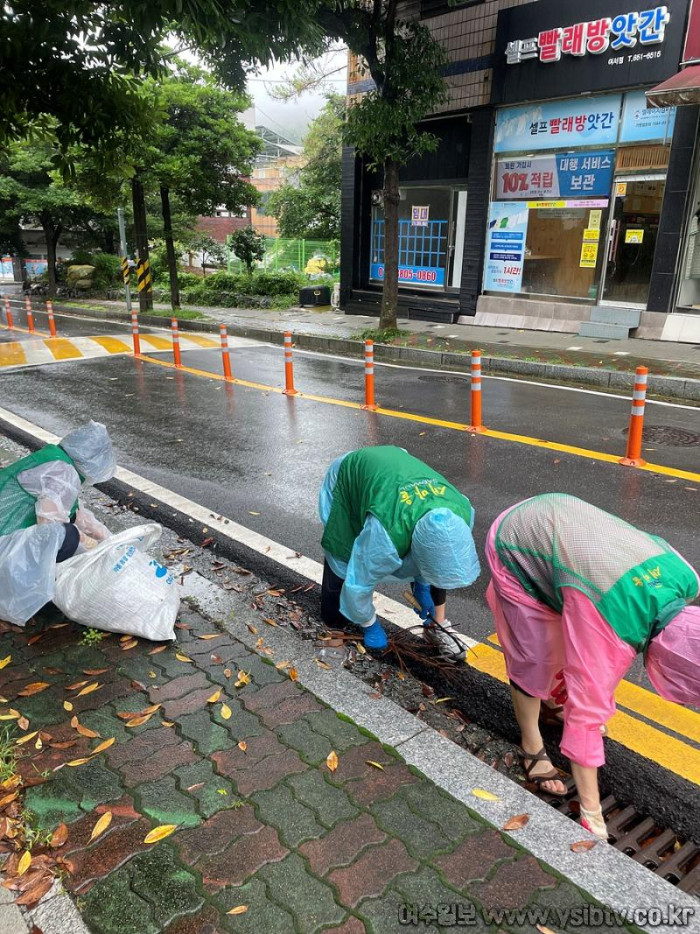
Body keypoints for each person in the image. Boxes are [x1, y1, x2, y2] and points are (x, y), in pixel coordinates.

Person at [486, 493, 700, 840]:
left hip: (563, 520)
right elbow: (587, 715)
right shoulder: (611, 626)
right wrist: (592, 814)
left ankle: (553, 705)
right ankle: (531, 744)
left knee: (571, 642)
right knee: (535, 657)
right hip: (517, 542)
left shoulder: (687, 578)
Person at [318, 445, 480, 661]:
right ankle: (334, 637)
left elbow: (436, 558)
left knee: (442, 563)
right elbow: (359, 580)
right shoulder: (385, 533)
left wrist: (423, 585)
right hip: (351, 476)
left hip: (396, 475)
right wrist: (369, 624)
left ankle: (436, 625)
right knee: (341, 557)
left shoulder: (461, 512)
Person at [0, 421, 116, 626]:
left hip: (6, 534)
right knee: (67, 536)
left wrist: (112, 543)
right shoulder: (63, 473)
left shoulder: (56, 461)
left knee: (69, 530)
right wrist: (90, 548)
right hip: (4, 544)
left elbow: (79, 515)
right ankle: (31, 588)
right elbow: (49, 528)